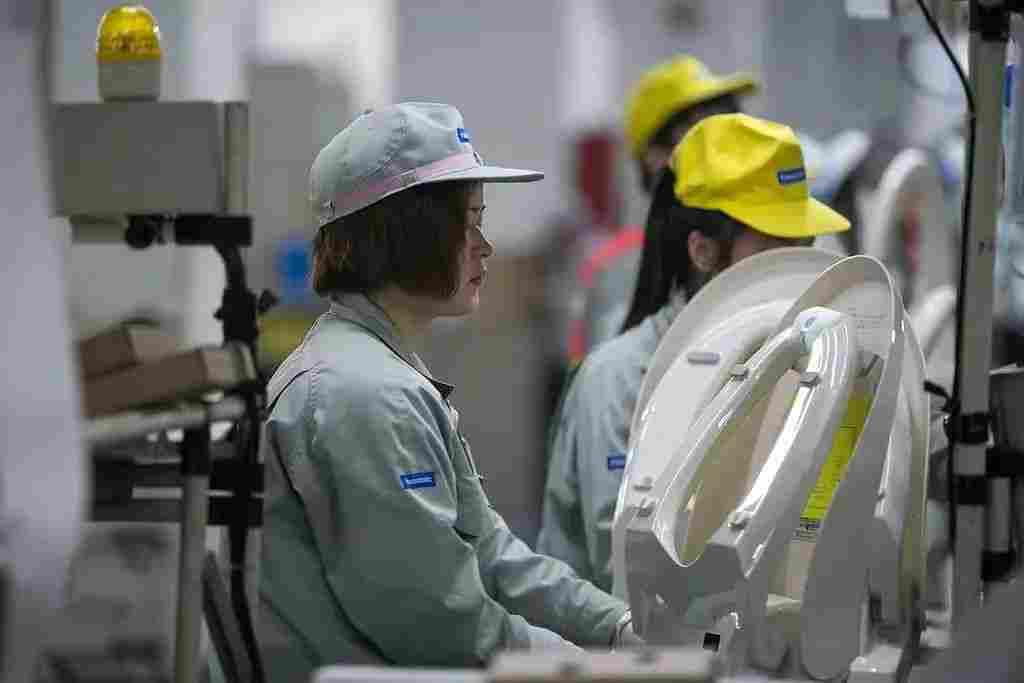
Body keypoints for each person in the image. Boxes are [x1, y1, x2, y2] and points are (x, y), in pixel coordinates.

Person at [256, 102, 640, 680]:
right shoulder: (364, 394)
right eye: (468, 222)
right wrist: (583, 666)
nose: (484, 246)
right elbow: (438, 625)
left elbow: (488, 551)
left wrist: (616, 625)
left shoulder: (381, 369)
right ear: (408, 236)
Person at [537, 113, 851, 592]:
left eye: (803, 246)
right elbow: (625, 571)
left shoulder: (803, 363)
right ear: (702, 251)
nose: (796, 270)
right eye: (775, 248)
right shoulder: (619, 381)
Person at [566, 55, 760, 365]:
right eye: (707, 135)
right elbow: (618, 376)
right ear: (656, 159)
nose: (733, 150)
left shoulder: (755, 242)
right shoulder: (621, 272)